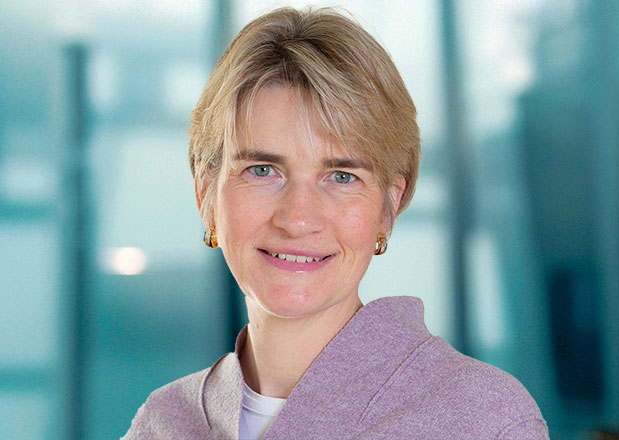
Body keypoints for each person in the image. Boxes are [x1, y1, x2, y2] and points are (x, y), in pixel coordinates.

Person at [123, 6, 549, 440]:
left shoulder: (484, 419)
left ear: (388, 206)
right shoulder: (163, 423)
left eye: (342, 177)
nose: (298, 219)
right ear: (205, 193)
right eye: (263, 170)